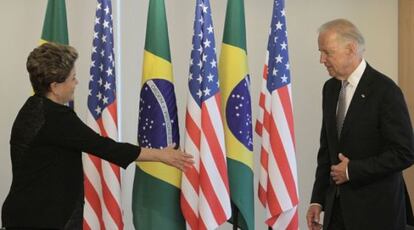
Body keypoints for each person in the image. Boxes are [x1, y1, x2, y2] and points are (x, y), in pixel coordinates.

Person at [1, 42, 193, 229]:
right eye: (72, 78)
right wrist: (161, 155)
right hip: (43, 219)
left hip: (23, 214)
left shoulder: (31, 107)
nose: (76, 83)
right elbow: (105, 147)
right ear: (55, 86)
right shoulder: (56, 117)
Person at [306, 19, 414, 230]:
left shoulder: (385, 91)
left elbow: (405, 152)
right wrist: (317, 200)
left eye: (327, 52)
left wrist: (352, 170)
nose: (322, 59)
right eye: (321, 52)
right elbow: (327, 150)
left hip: (376, 214)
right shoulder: (329, 89)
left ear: (351, 49)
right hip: (336, 213)